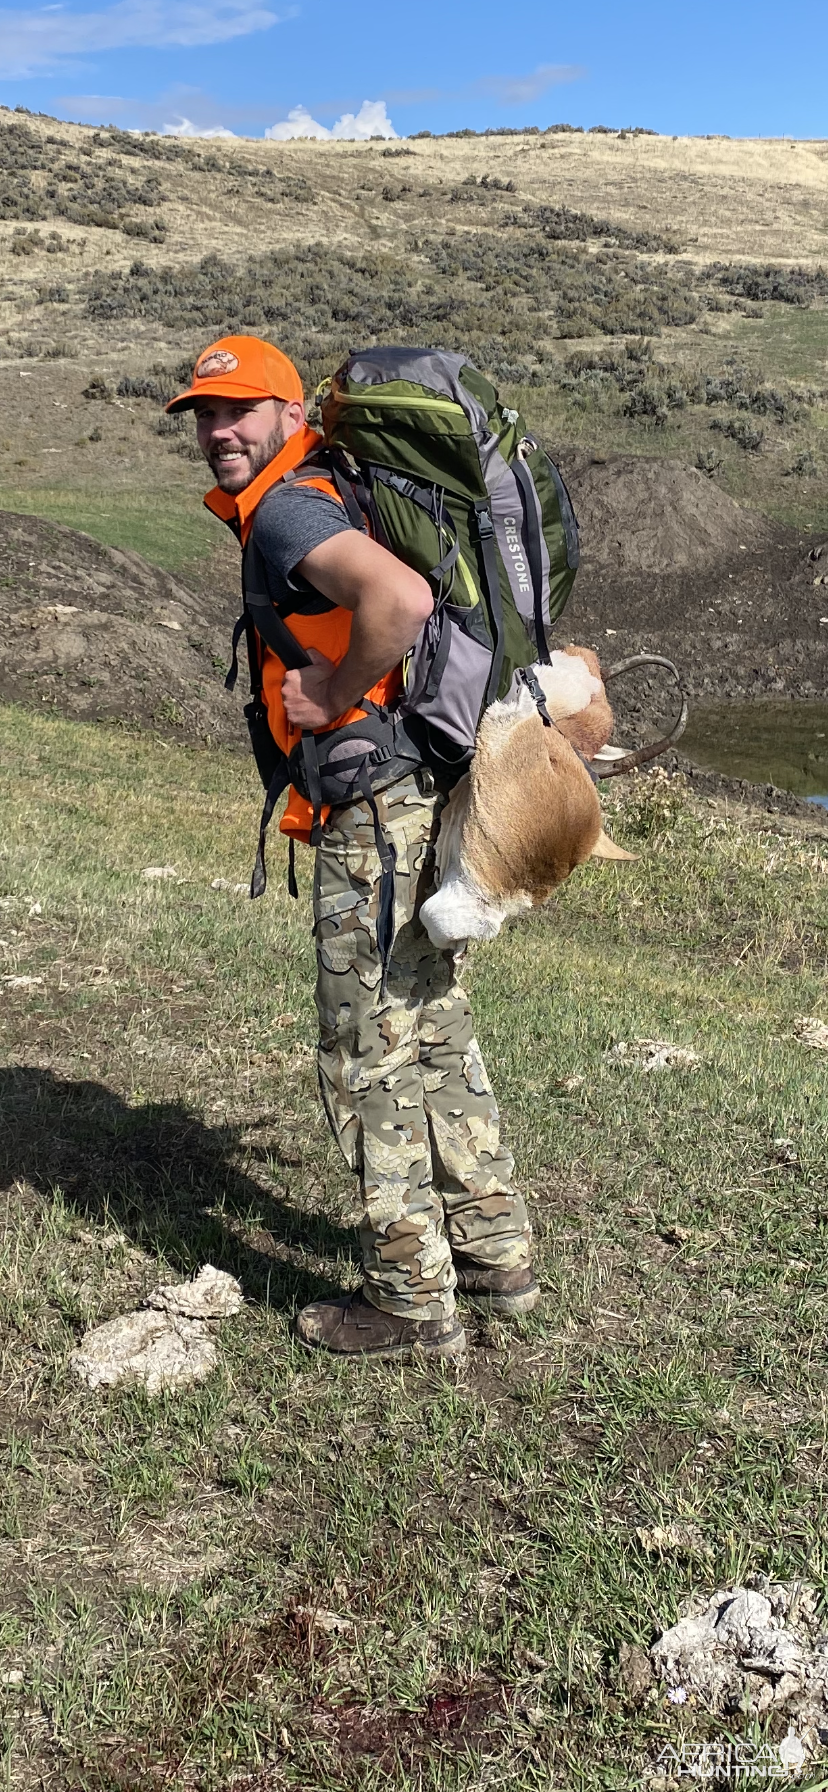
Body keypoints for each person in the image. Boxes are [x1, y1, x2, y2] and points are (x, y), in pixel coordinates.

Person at [167, 334, 538, 1360]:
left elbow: (402, 602)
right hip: (419, 788)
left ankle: (412, 1300)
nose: (217, 431)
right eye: (202, 413)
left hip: (373, 810)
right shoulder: (333, 486)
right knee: (431, 1020)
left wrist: (329, 694)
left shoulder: (291, 507)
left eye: (239, 409)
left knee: (364, 1050)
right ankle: (495, 1252)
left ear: (292, 413)